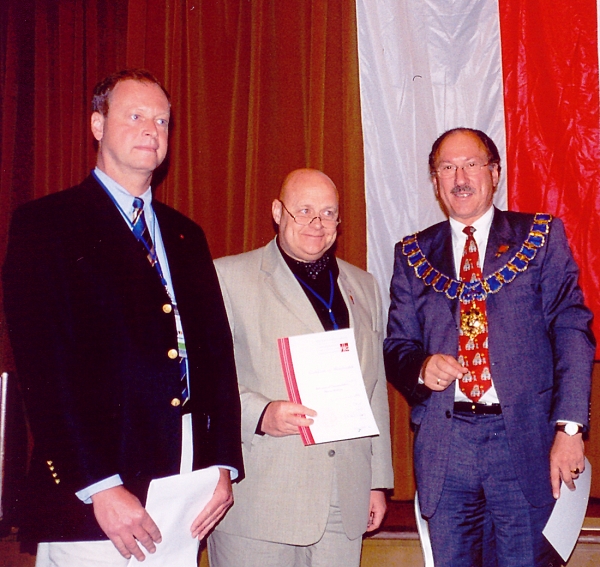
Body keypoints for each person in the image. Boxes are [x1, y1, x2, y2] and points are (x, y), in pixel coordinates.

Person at [2, 69, 243, 566]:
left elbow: (217, 360)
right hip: (95, 495)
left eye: (162, 121)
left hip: (186, 488)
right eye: (134, 116)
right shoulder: (46, 225)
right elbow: (44, 376)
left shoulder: (186, 235)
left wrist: (222, 464)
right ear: (97, 125)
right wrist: (99, 486)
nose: (151, 130)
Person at [384, 127, 595, 567]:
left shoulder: (539, 237)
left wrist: (570, 429)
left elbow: (572, 330)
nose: (460, 178)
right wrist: (421, 367)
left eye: (471, 165)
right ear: (436, 181)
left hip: (525, 443)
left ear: (494, 173)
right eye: (447, 167)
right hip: (447, 447)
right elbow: (397, 345)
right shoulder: (412, 253)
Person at [207, 168, 394, 567]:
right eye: (304, 211)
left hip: (345, 500)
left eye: (328, 213)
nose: (317, 223)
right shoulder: (227, 277)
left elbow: (374, 389)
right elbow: (205, 378)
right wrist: (260, 413)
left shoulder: (364, 286)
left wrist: (377, 481)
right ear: (278, 212)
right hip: (262, 499)